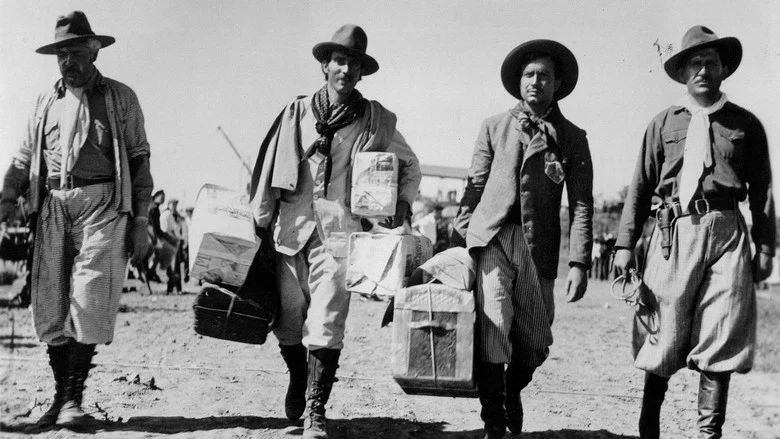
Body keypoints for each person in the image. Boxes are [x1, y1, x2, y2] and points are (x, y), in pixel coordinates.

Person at [249, 24, 421, 438]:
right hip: (290, 229)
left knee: (327, 319)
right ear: (325, 66)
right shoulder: (297, 113)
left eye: (353, 64)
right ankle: (298, 376)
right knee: (288, 319)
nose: (345, 69)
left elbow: (410, 165)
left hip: (341, 234)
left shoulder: (374, 120)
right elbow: (269, 167)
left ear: (361, 73)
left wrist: (398, 204)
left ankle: (315, 410)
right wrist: (259, 219)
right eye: (339, 61)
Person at [613, 26, 774, 439]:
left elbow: (763, 190)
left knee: (722, 331)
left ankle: (708, 433)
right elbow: (640, 187)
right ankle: (649, 424)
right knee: (663, 331)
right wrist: (625, 244)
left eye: (711, 63)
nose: (703, 70)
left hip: (728, 233)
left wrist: (766, 247)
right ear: (683, 72)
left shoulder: (745, 124)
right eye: (695, 63)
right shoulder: (663, 123)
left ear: (724, 70)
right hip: (674, 231)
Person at [0, 11, 153, 428]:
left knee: (89, 295)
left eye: (75, 52)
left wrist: (141, 222)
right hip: (52, 204)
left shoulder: (120, 97)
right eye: (61, 54)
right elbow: (23, 159)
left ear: (94, 50)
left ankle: (73, 399)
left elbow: (139, 159)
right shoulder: (44, 102)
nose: (68, 61)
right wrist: (8, 197)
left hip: (103, 204)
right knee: (50, 302)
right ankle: (60, 399)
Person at [450, 40, 593, 438]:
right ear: (518, 81)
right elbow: (474, 185)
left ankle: (512, 389)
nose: (535, 81)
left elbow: (582, 204)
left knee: (535, 341)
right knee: (493, 326)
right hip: (493, 238)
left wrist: (579, 262)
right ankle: (494, 423)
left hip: (538, 247)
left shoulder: (572, 137)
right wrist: (462, 237)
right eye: (529, 74)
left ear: (558, 83)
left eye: (544, 75)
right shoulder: (494, 126)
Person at [159, 198, 183, 293]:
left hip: (169, 241)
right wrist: (175, 240)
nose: (174, 207)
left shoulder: (170, 215)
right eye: (173, 204)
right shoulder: (168, 214)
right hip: (170, 241)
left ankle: (174, 288)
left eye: (176, 205)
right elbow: (168, 230)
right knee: (172, 267)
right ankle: (172, 288)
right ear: (169, 204)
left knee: (173, 267)